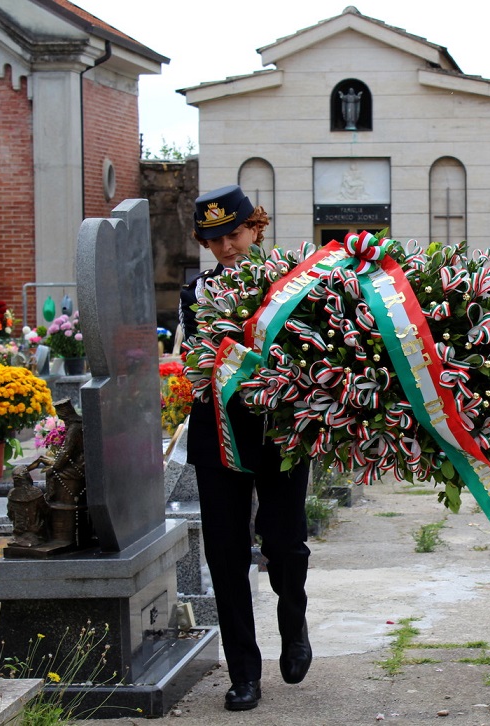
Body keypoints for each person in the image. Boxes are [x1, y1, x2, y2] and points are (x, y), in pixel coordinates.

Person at [179, 185, 312, 712]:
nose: (226, 247)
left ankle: (293, 623)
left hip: (279, 430)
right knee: (225, 553)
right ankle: (244, 672)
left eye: (233, 233)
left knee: (285, 543)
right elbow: (196, 360)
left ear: (255, 227)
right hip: (218, 433)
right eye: (214, 240)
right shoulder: (196, 293)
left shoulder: (290, 281)